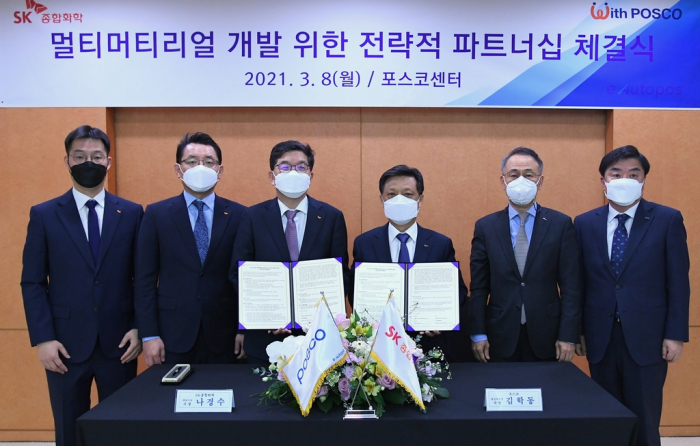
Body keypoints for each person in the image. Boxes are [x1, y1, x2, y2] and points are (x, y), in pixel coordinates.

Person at [21, 125, 143, 446]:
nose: (88, 162)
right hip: (63, 346)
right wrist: (43, 338)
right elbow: (32, 281)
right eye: (80, 156)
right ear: (67, 161)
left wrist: (138, 327)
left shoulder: (131, 213)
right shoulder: (45, 215)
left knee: (119, 432)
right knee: (69, 430)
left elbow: (142, 277)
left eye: (96, 156)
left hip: (120, 345)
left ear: (108, 161)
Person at [574, 145, 689, 446]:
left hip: (648, 340)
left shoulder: (667, 220)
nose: (624, 179)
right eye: (616, 173)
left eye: (633, 174)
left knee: (645, 420)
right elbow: (579, 282)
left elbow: (678, 281)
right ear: (603, 181)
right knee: (606, 419)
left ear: (643, 180)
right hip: (600, 339)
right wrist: (579, 331)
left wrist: (675, 335)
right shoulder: (584, 223)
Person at [230, 140, 350, 363]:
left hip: (318, 339)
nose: (293, 172)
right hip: (266, 340)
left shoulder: (332, 217)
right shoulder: (252, 217)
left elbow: (340, 275)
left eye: (301, 167)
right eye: (284, 166)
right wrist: (267, 316)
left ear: (311, 176)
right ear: (272, 175)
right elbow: (239, 273)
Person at [135, 132, 246, 366]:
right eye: (192, 161)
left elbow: (246, 278)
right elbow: (144, 279)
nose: (200, 167)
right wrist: (149, 334)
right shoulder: (156, 214)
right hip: (171, 335)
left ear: (220, 170)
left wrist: (244, 329)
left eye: (208, 162)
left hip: (226, 335)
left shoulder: (240, 215)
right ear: (178, 169)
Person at [469, 147, 580, 362]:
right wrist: (478, 333)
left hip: (548, 335)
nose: (521, 180)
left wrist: (568, 334)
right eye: (514, 175)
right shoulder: (486, 226)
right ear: (503, 181)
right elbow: (479, 287)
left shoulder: (560, 224)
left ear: (540, 181)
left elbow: (571, 286)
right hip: (498, 335)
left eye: (528, 175)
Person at [350, 165, 469, 361]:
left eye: (408, 194)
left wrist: (440, 319)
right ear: (382, 199)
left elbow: (459, 293)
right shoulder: (365, 243)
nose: (399, 200)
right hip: (378, 347)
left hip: (428, 347)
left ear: (420, 200)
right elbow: (356, 292)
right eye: (391, 194)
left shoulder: (440, 244)